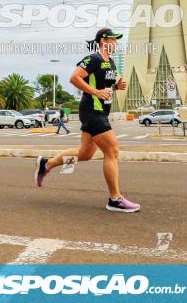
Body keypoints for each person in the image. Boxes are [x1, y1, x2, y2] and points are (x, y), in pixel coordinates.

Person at [34, 28, 139, 212]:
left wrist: (116, 87)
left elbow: (102, 86)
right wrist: (96, 92)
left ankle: (46, 164)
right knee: (112, 150)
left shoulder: (111, 63)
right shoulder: (93, 59)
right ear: (104, 41)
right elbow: (74, 78)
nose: (116, 43)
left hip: (101, 112)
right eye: (114, 40)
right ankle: (115, 199)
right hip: (92, 111)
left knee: (85, 154)